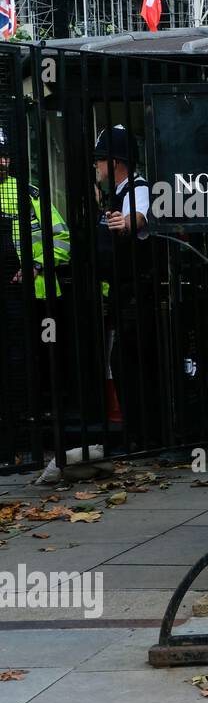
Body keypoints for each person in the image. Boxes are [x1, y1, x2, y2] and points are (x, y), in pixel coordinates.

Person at [0, 132, 70, 463]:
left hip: (35, 295)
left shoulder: (28, 194)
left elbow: (64, 240)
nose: (3, 161)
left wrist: (37, 265)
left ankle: (34, 439)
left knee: (35, 365)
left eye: (5, 154)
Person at [94, 125, 159, 451]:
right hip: (124, 294)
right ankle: (140, 436)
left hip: (138, 294)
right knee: (127, 361)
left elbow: (141, 215)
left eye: (98, 160)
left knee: (131, 362)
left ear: (114, 160)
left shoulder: (137, 188)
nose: (96, 167)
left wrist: (126, 222)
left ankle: (143, 438)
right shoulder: (118, 192)